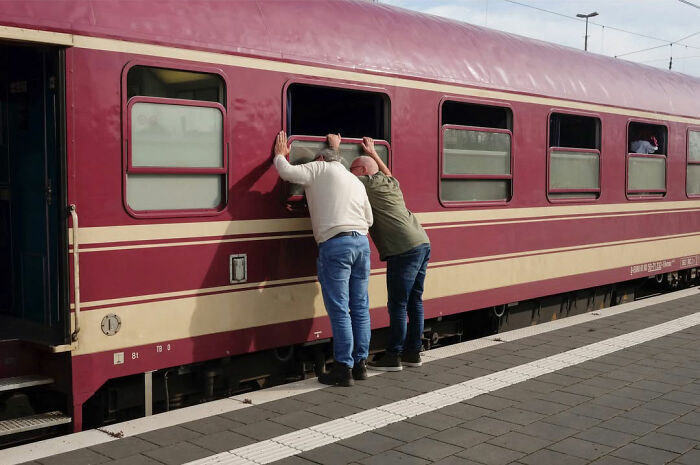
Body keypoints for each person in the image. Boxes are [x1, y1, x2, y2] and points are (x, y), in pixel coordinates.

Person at [273, 131, 373, 386]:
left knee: (340, 309)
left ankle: (343, 369)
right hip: (361, 242)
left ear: (320, 158)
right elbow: (369, 220)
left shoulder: (318, 169)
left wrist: (280, 155)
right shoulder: (355, 181)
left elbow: (286, 172)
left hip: (336, 244)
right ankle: (361, 365)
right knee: (360, 307)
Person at [350, 137, 431, 371]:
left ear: (363, 172)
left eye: (353, 169)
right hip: (421, 242)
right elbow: (386, 171)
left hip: (403, 249)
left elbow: (341, 179)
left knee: (398, 304)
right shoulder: (389, 182)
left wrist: (334, 151)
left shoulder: (364, 184)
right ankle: (413, 353)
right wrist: (374, 153)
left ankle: (394, 355)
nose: (349, 172)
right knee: (414, 301)